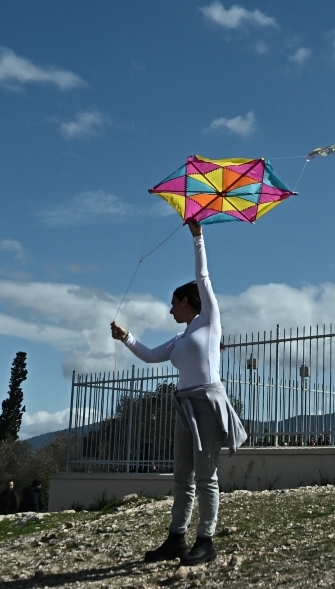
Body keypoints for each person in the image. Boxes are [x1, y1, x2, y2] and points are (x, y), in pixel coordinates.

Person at [110, 221, 246, 566]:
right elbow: (151, 355)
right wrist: (126, 337)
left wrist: (198, 237)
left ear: (187, 302)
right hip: (185, 408)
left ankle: (206, 540)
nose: (170, 310)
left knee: (205, 476)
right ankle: (176, 538)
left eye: (174, 304)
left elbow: (204, 278)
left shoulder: (209, 322)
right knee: (182, 476)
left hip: (207, 403)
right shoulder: (180, 339)